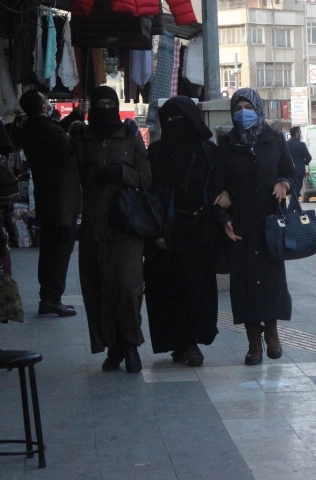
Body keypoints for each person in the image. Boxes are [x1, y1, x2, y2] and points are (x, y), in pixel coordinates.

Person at [72, 86, 151, 374]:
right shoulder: (83, 139)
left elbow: (146, 177)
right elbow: (69, 175)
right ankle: (113, 346)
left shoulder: (130, 137)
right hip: (93, 225)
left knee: (128, 288)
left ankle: (131, 344)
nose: (106, 108)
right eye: (100, 103)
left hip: (127, 227)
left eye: (110, 103)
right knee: (99, 288)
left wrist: (122, 173)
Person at [144, 96, 227, 367]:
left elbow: (219, 186)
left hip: (199, 231)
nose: (175, 126)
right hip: (165, 234)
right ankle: (178, 344)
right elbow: (149, 194)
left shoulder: (207, 152)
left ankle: (191, 342)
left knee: (197, 290)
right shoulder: (156, 153)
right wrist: (154, 232)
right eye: (170, 120)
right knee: (168, 291)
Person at [218, 88, 296, 366]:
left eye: (247, 106)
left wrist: (283, 183)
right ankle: (253, 342)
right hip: (240, 227)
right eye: (237, 107)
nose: (242, 112)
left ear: (258, 108)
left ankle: (272, 333)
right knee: (245, 285)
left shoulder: (273, 140)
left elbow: (290, 172)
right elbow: (216, 185)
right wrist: (224, 215)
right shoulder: (227, 144)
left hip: (269, 225)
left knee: (273, 282)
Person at [19, 90, 80, 317]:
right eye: (46, 100)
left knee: (49, 249)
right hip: (60, 199)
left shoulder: (31, 128)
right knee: (60, 248)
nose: (49, 103)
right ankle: (53, 298)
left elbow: (55, 132)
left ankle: (48, 297)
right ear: (43, 107)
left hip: (46, 197)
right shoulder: (47, 130)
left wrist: (73, 117)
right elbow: (67, 149)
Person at [286, 126, 312, 198]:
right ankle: (290, 209)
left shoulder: (286, 144)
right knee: (296, 191)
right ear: (297, 133)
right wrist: (304, 163)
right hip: (299, 171)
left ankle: (297, 209)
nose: (300, 134)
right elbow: (309, 157)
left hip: (289, 171)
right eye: (300, 132)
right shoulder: (301, 145)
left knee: (293, 191)